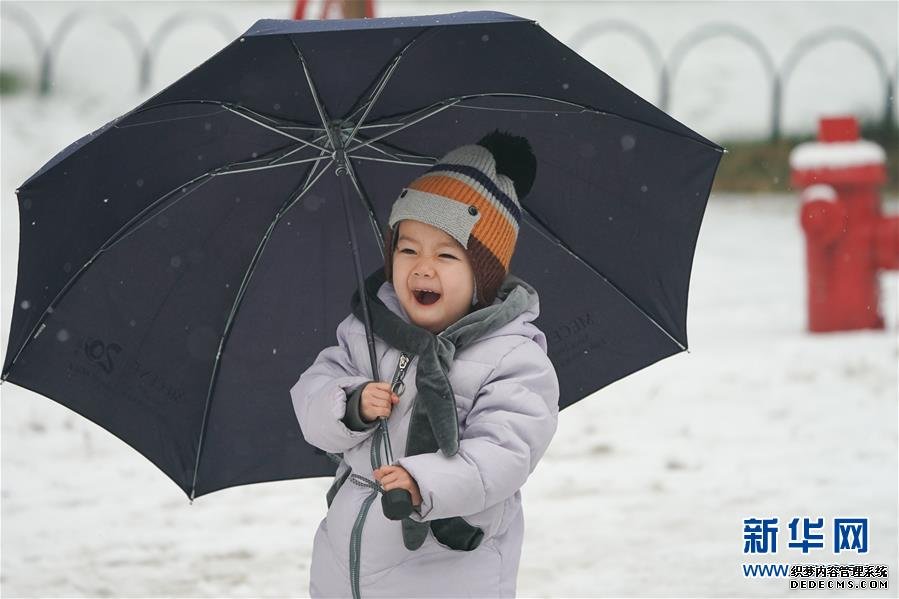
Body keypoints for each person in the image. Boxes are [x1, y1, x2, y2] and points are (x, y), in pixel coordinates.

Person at [290, 129, 560, 598]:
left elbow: (503, 454)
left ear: (483, 276)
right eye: (407, 248)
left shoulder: (513, 357)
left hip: (447, 568)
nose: (422, 268)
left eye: (447, 255)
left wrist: (424, 481)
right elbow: (312, 392)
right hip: (348, 558)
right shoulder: (368, 330)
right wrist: (350, 405)